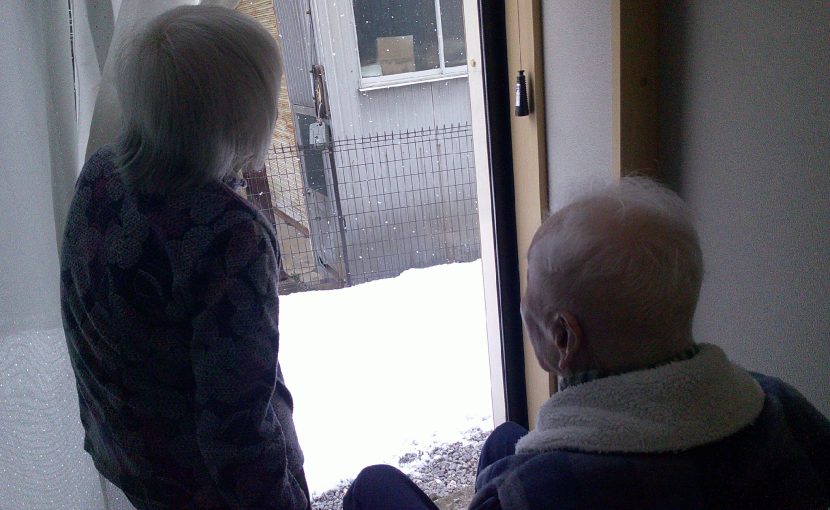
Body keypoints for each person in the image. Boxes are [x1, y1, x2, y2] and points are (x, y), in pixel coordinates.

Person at [344, 177, 830, 510]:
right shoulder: (783, 406)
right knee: (504, 440)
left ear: (563, 338)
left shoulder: (529, 494)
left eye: (528, 299)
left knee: (372, 486)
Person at [60, 6, 309, 509]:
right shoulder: (228, 234)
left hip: (129, 455)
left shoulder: (102, 174)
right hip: (202, 488)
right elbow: (237, 431)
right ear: (239, 114)